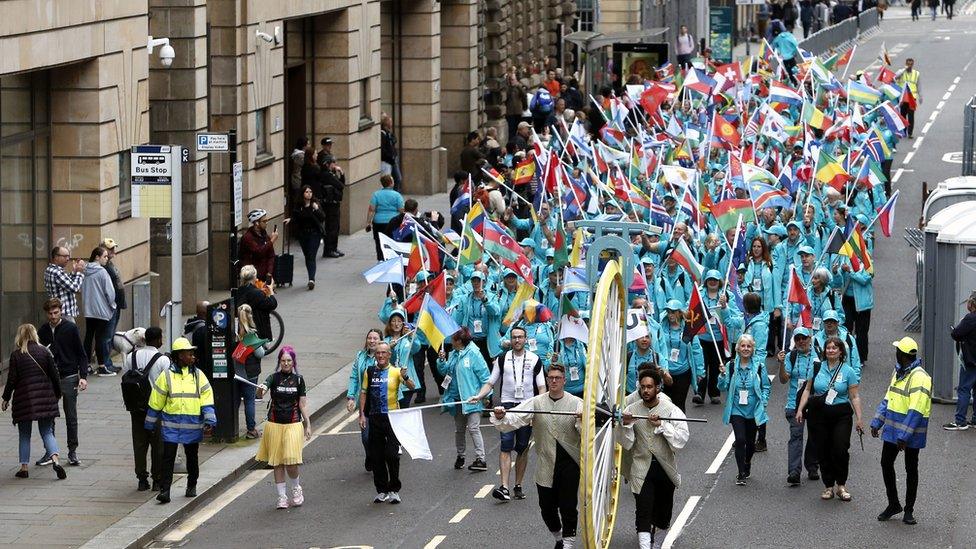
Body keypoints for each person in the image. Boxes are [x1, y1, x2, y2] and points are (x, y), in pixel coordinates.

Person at [491, 364, 583, 549]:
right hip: (546, 462)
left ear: (564, 380)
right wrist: (501, 416)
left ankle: (568, 543)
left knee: (568, 506)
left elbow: (587, 433)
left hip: (569, 463)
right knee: (546, 508)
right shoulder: (537, 402)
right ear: (547, 380)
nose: (554, 381)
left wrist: (582, 419)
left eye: (558, 378)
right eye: (551, 378)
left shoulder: (577, 403)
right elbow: (515, 418)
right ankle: (558, 536)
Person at [469, 326, 545, 501]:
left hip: (527, 406)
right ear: (510, 340)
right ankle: (504, 486)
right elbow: (490, 382)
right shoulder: (502, 359)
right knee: (506, 444)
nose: (517, 340)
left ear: (526, 339)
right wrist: (479, 396)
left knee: (523, 448)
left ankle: (518, 484)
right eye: (514, 337)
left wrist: (538, 410)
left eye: (520, 337)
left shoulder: (535, 359)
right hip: (507, 406)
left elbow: (541, 387)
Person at [619, 367, 689, 549]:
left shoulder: (670, 409)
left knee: (663, 515)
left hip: (664, 468)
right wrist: (625, 425)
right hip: (641, 468)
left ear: (658, 388)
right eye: (643, 387)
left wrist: (663, 425)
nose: (646, 391)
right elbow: (625, 443)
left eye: (650, 387)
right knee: (643, 510)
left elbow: (680, 440)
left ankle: (656, 544)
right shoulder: (631, 409)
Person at [145, 337, 216, 504]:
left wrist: (209, 419)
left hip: (192, 425)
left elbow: (207, 397)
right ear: (179, 356)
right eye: (188, 353)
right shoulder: (167, 376)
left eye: (192, 353)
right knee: (167, 457)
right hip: (171, 426)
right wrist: (149, 423)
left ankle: (191, 485)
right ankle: (165, 490)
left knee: (192, 457)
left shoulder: (198, 376)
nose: (192, 356)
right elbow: (156, 399)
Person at [796, 336, 864, 502]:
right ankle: (828, 486)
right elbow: (807, 390)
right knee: (823, 449)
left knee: (840, 448)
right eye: (828, 348)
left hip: (841, 414)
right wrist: (799, 409)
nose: (831, 350)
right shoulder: (817, 368)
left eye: (834, 348)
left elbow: (854, 396)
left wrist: (859, 418)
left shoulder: (848, 371)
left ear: (841, 351)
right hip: (819, 414)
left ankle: (841, 485)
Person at [872, 337, 931, 525]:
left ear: (903, 355)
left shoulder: (920, 377)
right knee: (885, 463)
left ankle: (909, 510)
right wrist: (877, 421)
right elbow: (888, 398)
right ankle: (894, 504)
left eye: (897, 351)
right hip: (893, 427)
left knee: (911, 468)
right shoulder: (898, 372)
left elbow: (916, 409)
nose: (895, 353)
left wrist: (904, 436)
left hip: (910, 432)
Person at [2, 324, 67, 480]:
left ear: (20, 336)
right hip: (45, 397)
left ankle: (24, 468)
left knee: (24, 434)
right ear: (34, 335)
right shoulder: (44, 351)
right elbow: (54, 375)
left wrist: (5, 398)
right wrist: (58, 394)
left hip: (24, 400)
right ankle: (56, 461)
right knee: (47, 432)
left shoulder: (17, 355)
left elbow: (11, 380)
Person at [359, 341, 415, 504]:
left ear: (389, 355)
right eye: (378, 353)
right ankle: (381, 490)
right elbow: (363, 393)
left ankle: (394, 489)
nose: (381, 355)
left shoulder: (396, 372)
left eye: (384, 352)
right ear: (375, 355)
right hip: (374, 417)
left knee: (391, 455)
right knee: (376, 456)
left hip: (392, 418)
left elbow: (411, 387)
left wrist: (405, 376)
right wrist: (362, 415)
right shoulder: (369, 372)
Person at [257, 346, 311, 509]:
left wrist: (308, 424)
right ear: (279, 362)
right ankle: (282, 497)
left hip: (293, 424)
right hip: (274, 425)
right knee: (278, 463)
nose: (286, 363)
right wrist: (261, 390)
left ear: (293, 362)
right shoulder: (273, 378)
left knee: (291, 461)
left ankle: (296, 489)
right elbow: (261, 393)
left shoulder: (299, 380)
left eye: (289, 360)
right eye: (283, 361)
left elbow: (302, 404)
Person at [37, 298, 87, 468]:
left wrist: (83, 376)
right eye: (50, 313)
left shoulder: (70, 328)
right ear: (46, 313)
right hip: (50, 378)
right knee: (48, 415)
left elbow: (81, 353)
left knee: (71, 416)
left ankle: (72, 451)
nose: (53, 316)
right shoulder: (42, 331)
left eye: (56, 312)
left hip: (69, 376)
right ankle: (50, 451)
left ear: (61, 311)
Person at [718, 334, 770, 486]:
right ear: (738, 348)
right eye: (743, 346)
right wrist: (722, 375)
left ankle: (747, 462)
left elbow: (766, 386)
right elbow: (722, 387)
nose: (746, 349)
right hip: (736, 410)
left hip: (754, 410)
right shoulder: (731, 366)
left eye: (749, 346)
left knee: (751, 443)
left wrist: (764, 402)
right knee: (740, 440)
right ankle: (741, 472)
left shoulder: (759, 366)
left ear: (752, 348)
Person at [121, 326, 169, 491]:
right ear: (158, 340)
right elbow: (168, 384)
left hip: (136, 407)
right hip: (156, 409)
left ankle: (142, 478)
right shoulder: (162, 360)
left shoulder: (130, 357)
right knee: (158, 444)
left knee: (139, 443)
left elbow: (125, 378)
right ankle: (157, 479)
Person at [438, 328, 491, 472]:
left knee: (474, 428)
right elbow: (445, 371)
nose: (450, 341)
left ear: (459, 341)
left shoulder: (474, 354)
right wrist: (442, 360)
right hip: (456, 399)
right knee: (459, 430)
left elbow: (486, 378)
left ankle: (481, 459)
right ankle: (460, 456)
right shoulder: (454, 354)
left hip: (471, 399)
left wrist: (485, 396)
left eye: (453, 339)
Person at [776, 328, 820, 486]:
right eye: (797, 339)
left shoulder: (818, 356)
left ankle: (812, 466)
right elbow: (783, 380)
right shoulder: (791, 356)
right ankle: (794, 471)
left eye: (804, 338)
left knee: (815, 435)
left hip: (815, 402)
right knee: (796, 436)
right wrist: (781, 365)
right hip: (794, 403)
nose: (801, 341)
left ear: (810, 339)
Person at [347, 329, 382, 471]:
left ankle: (379, 458)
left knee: (380, 435)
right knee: (366, 437)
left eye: (375, 338)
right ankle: (370, 455)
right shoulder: (360, 356)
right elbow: (354, 377)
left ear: (381, 341)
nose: (372, 341)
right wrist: (351, 397)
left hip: (381, 401)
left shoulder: (385, 356)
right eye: (370, 338)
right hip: (365, 402)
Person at [81, 246, 117, 376]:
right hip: (101, 310)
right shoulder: (102, 272)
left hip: (88, 309)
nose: (106, 259)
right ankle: (102, 366)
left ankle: (86, 365)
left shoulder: (84, 270)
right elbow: (110, 292)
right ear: (97, 257)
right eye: (105, 256)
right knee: (100, 338)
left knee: (89, 337)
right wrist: (112, 305)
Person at [945, 290, 976, 430]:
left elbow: (956, 334)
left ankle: (960, 421)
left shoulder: (970, 318)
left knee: (964, 389)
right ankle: (975, 420)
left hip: (971, 361)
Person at [235, 304, 265, 439]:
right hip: (250, 372)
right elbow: (259, 354)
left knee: (235, 400)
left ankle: (231, 427)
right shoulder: (251, 334)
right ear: (250, 315)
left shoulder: (234, 331)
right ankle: (251, 430)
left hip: (236, 372)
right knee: (249, 400)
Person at [289, 185, 327, 289]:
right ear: (302, 194)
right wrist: (290, 220)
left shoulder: (315, 204)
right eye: (306, 192)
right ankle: (311, 276)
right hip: (303, 235)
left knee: (311, 255)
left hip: (314, 234)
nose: (309, 193)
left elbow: (322, 217)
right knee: (307, 255)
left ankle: (311, 279)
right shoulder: (299, 206)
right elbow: (295, 217)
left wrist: (316, 209)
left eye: (310, 191)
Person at [235, 264, 279, 344]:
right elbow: (273, 304)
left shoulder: (240, 291)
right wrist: (271, 291)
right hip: (258, 330)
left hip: (242, 328)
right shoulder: (256, 293)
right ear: (254, 277)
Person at [367, 174, 405, 260]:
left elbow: (371, 210)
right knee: (392, 241)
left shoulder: (376, 194)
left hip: (378, 223)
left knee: (379, 241)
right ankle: (392, 259)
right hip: (393, 222)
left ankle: (380, 259)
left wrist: (368, 222)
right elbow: (401, 210)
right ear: (391, 183)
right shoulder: (397, 195)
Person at [100, 238, 127, 361]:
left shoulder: (109, 264)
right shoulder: (103, 266)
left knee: (110, 334)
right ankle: (105, 362)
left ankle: (107, 361)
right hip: (111, 304)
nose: (112, 251)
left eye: (113, 248)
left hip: (117, 302)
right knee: (107, 335)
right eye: (109, 248)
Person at [44, 246, 86, 323]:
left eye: (68, 256)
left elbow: (66, 283)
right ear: (56, 257)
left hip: (60, 312)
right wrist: (80, 272)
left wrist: (75, 272)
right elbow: (74, 288)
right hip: (64, 313)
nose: (67, 259)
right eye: (65, 256)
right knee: (69, 334)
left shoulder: (50, 269)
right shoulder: (57, 272)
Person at [239, 209, 278, 282]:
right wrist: (272, 240)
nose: (266, 223)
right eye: (264, 221)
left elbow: (271, 255)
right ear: (256, 223)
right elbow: (259, 251)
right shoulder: (248, 237)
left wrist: (269, 272)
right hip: (252, 277)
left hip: (264, 276)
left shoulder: (265, 235)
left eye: (267, 220)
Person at [895, 58, 921, 138]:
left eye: (911, 64)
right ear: (906, 64)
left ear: (913, 64)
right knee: (902, 115)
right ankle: (903, 131)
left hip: (912, 98)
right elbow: (896, 77)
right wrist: (904, 69)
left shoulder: (916, 73)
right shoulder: (901, 72)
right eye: (908, 64)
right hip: (903, 97)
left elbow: (918, 85)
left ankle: (910, 133)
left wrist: (920, 95)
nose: (909, 66)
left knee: (911, 115)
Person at [771, 20, 800, 85]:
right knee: (794, 68)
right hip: (791, 55)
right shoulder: (790, 36)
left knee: (788, 69)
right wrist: (795, 52)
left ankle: (792, 81)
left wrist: (778, 50)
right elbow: (795, 44)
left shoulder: (778, 37)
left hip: (784, 57)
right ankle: (796, 81)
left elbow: (774, 45)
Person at [380, 113, 402, 191]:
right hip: (387, 161)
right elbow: (383, 151)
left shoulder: (388, 133)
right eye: (390, 122)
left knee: (397, 179)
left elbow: (394, 140)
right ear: (387, 123)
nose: (392, 124)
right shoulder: (382, 134)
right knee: (392, 179)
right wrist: (391, 158)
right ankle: (394, 195)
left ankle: (395, 195)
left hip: (391, 159)